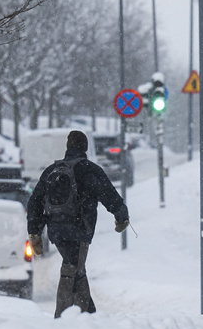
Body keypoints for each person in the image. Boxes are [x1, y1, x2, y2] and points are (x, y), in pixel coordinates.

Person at [27, 130, 129, 318]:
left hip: (56, 231)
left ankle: (87, 314)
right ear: (85, 147)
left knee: (75, 267)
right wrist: (121, 216)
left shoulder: (52, 170)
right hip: (80, 230)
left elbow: (35, 201)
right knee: (71, 269)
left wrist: (34, 232)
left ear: (67, 147)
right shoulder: (90, 170)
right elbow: (109, 195)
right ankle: (62, 316)